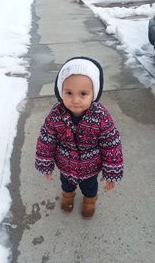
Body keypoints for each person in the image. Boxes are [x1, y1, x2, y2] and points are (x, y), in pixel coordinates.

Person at [35, 56, 123, 218]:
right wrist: (46, 164)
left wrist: (111, 172)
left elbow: (111, 144)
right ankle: (68, 196)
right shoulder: (56, 115)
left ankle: (89, 201)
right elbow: (46, 139)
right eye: (69, 93)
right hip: (65, 164)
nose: (75, 100)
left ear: (93, 94)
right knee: (66, 185)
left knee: (90, 187)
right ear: (61, 91)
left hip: (90, 167)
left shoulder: (101, 116)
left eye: (83, 93)